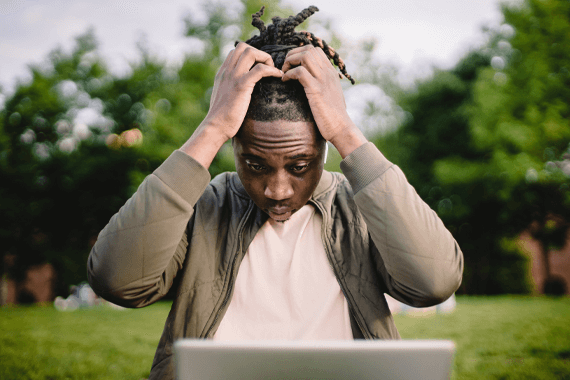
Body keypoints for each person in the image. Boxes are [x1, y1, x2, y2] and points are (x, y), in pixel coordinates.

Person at [87, 6, 463, 379]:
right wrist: (212, 127)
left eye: (299, 166)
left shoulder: (362, 205)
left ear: (325, 148)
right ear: (233, 146)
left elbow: (434, 283)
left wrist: (347, 131)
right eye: (255, 165)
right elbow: (117, 282)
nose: (277, 189)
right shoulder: (203, 206)